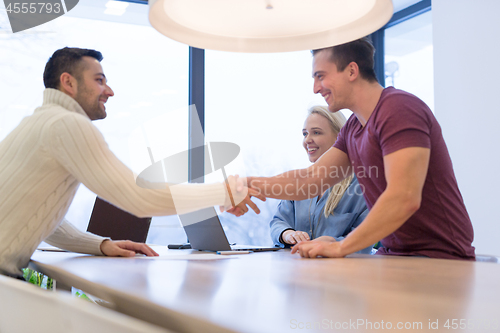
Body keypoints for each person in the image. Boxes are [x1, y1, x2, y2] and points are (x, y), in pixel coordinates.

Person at [0, 47, 262, 279]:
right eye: (99, 80)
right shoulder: (67, 124)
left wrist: (101, 245)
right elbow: (140, 197)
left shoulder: (37, 123)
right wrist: (224, 192)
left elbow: (44, 219)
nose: (109, 91)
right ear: (68, 82)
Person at [230, 37, 475, 260]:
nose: (316, 87)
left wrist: (341, 246)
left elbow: (404, 197)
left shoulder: (398, 109)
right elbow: (310, 179)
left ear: (351, 70)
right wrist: (246, 185)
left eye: (321, 76)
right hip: (394, 256)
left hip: (439, 258)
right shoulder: (353, 128)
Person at [270, 106, 370, 254]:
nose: (307, 140)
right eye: (305, 134)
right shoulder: (300, 183)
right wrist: (288, 233)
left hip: (343, 273)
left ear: (340, 137)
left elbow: (365, 240)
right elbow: (278, 221)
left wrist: (334, 243)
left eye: (316, 132)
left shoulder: (362, 186)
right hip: (298, 270)